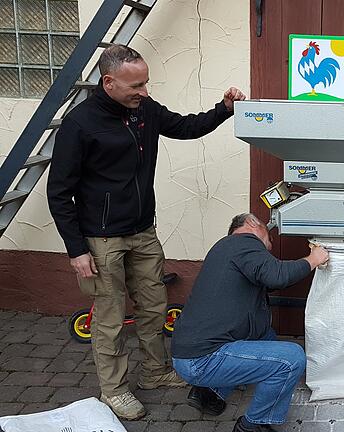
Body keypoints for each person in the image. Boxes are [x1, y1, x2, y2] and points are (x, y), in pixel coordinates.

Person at [46, 44, 246, 420]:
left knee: (154, 308)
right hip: (101, 239)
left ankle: (155, 373)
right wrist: (77, 250)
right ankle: (115, 390)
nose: (145, 92)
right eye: (136, 85)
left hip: (142, 231)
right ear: (109, 82)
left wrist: (224, 110)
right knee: (109, 318)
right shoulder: (80, 124)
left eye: (147, 83)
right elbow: (59, 192)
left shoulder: (144, 111)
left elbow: (187, 127)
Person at [171, 213, 329, 432]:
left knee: (267, 337)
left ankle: (209, 392)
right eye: (270, 241)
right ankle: (254, 424)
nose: (270, 248)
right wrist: (314, 259)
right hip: (202, 359)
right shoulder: (245, 243)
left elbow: (267, 278)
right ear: (253, 224)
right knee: (290, 359)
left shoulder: (225, 249)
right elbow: (276, 275)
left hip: (191, 352)